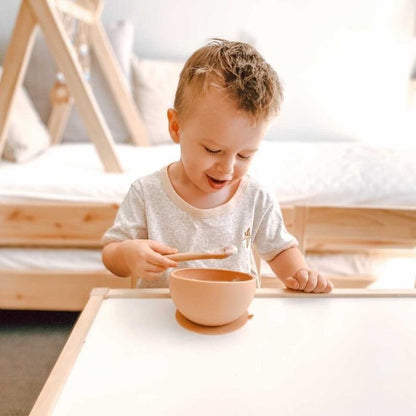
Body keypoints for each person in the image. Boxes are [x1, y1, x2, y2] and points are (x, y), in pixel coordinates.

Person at [102, 39, 333, 293]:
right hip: (164, 319)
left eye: (244, 155)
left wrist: (302, 275)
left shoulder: (256, 197)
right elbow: (112, 254)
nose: (227, 168)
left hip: (232, 318)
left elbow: (280, 250)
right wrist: (127, 254)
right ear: (176, 127)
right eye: (213, 150)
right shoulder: (146, 193)